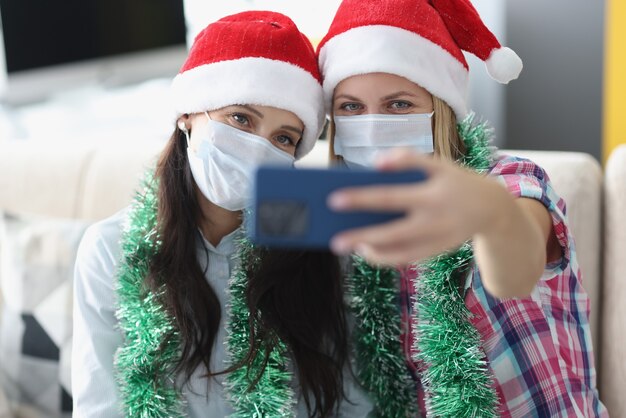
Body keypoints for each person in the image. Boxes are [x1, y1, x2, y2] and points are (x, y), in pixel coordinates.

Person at [72, 11, 373, 417]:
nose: (257, 147)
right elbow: (100, 406)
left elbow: (352, 401)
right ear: (188, 115)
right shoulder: (111, 249)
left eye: (283, 138)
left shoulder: (321, 245)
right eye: (240, 118)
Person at [316, 0, 609, 416]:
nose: (373, 123)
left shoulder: (510, 181)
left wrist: (492, 213)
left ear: (441, 110)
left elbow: (517, 266)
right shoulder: (341, 227)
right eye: (351, 107)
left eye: (399, 104)